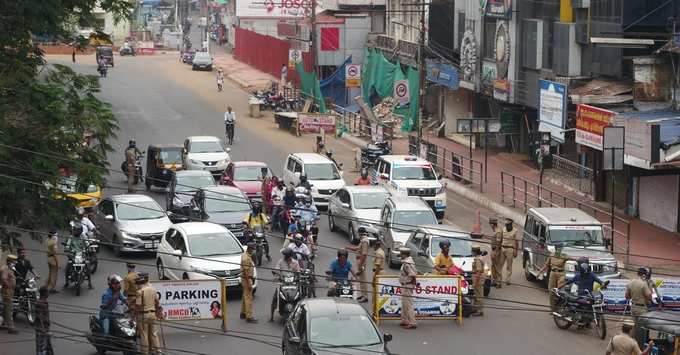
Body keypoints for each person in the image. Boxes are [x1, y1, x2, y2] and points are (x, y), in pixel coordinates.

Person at [269, 248, 301, 322]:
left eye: (286, 255)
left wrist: (299, 276)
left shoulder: (295, 262)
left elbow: (298, 272)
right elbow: (276, 271)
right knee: (275, 299)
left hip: (293, 283)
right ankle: (271, 317)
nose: (285, 257)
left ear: (290, 256)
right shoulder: (280, 262)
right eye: (284, 255)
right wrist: (276, 277)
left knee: (300, 297)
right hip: (283, 283)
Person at [135, 272, 161, 355]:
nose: (136, 286)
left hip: (143, 315)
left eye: (137, 284)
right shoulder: (152, 288)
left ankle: (144, 352)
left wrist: (134, 315)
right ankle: (158, 352)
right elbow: (157, 301)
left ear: (139, 283)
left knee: (144, 334)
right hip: (152, 313)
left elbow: (138, 305)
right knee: (153, 333)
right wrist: (157, 311)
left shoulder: (140, 291)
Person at [538, 243, 568, 309]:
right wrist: (539, 272)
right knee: (551, 292)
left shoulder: (564, 256)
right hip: (553, 273)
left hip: (561, 274)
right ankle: (552, 308)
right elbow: (546, 265)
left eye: (560, 249)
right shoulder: (551, 255)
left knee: (560, 289)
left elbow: (573, 259)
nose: (559, 250)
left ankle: (561, 306)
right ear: (556, 249)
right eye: (558, 249)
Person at [345, 228, 370, 303]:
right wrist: (348, 247)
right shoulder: (363, 240)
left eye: (358, 233)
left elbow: (364, 254)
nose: (358, 235)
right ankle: (363, 294)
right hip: (359, 260)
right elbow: (357, 249)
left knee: (363, 280)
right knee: (361, 280)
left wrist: (360, 265)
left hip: (361, 261)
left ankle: (365, 296)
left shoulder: (365, 241)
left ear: (360, 233)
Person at [398, 248, 417, 329]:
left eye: (401, 254)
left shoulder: (407, 263)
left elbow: (412, 275)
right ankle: (404, 320)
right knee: (404, 304)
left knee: (408, 305)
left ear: (405, 254)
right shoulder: (408, 261)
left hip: (407, 285)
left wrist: (411, 283)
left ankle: (412, 322)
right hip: (406, 285)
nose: (400, 255)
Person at [240, 242, 258, 323]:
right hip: (246, 279)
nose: (254, 251)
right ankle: (249, 316)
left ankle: (243, 313)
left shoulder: (245, 255)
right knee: (249, 298)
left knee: (245, 296)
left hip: (245, 278)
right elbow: (247, 274)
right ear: (250, 249)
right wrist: (250, 284)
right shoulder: (246, 259)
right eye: (253, 249)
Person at [1, 254, 18, 333]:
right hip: (6, 291)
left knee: (6, 308)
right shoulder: (5, 269)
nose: (15, 263)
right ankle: (11, 327)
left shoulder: (10, 268)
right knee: (9, 308)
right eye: (14, 261)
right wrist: (10, 286)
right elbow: (4, 279)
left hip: (10, 291)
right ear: (9, 261)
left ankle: (4, 324)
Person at [499, 217, 519, 285]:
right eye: (506, 224)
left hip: (510, 249)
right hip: (502, 248)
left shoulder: (515, 231)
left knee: (509, 266)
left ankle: (508, 280)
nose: (506, 225)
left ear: (511, 224)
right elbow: (501, 239)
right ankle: (499, 279)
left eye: (508, 224)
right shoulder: (503, 229)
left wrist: (516, 251)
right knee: (500, 265)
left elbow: (517, 242)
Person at [35, 286, 54, 355]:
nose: (49, 293)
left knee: (47, 347)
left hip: (45, 328)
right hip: (41, 329)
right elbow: (40, 318)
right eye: (48, 292)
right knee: (42, 348)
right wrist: (44, 331)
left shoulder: (44, 302)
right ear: (44, 293)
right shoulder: (41, 304)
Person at [488, 218, 503, 287]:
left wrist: (496, 252)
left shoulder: (498, 231)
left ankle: (499, 282)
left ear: (493, 224)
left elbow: (498, 243)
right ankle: (494, 281)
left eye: (490, 224)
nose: (490, 226)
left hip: (496, 250)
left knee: (497, 267)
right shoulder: (495, 230)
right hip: (493, 250)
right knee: (493, 267)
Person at [471, 246, 486, 316]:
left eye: (472, 251)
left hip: (478, 279)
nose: (471, 252)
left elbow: (478, 272)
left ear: (474, 252)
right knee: (476, 295)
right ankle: (475, 308)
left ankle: (480, 310)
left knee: (479, 295)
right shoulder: (479, 257)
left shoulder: (478, 260)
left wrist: (475, 283)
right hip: (477, 278)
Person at [45, 227, 59, 294]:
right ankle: (50, 289)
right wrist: (58, 263)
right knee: (54, 275)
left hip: (48, 258)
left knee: (50, 274)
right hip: (53, 259)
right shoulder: (54, 243)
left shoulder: (47, 240)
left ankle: (46, 286)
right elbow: (55, 254)